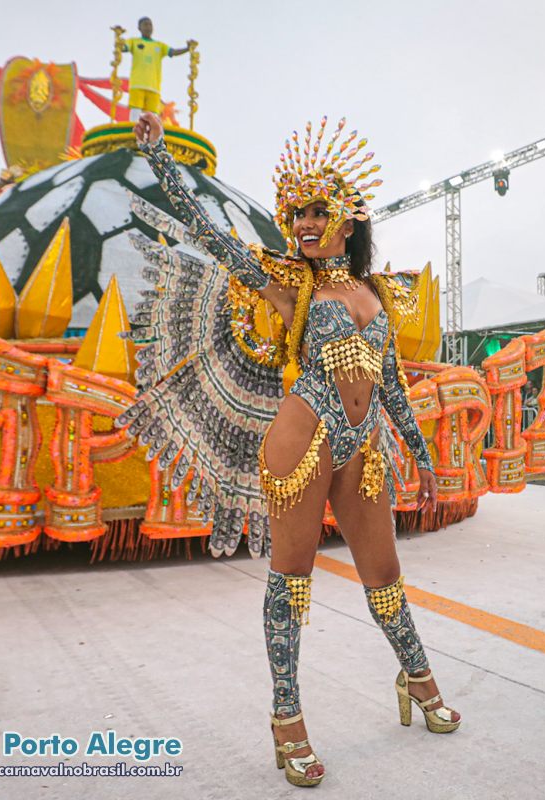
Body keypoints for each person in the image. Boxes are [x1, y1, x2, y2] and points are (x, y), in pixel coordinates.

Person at [116, 113, 461, 788]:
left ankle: (416, 677)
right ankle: (287, 720)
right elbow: (213, 237)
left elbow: (391, 386)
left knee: (385, 576)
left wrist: (421, 456)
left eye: (316, 211)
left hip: (363, 452)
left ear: (348, 220)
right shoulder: (290, 283)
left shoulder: (378, 294)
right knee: (292, 581)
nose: (302, 223)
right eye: (294, 212)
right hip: (301, 445)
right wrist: (160, 159)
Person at [122, 17, 193, 121]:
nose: (148, 27)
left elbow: (173, 52)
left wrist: (187, 49)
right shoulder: (134, 42)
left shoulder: (159, 46)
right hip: (137, 84)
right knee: (136, 110)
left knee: (152, 114)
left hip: (154, 86)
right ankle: (134, 131)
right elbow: (122, 48)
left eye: (150, 25)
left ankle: (151, 134)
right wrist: (118, 39)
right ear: (139, 28)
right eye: (145, 25)